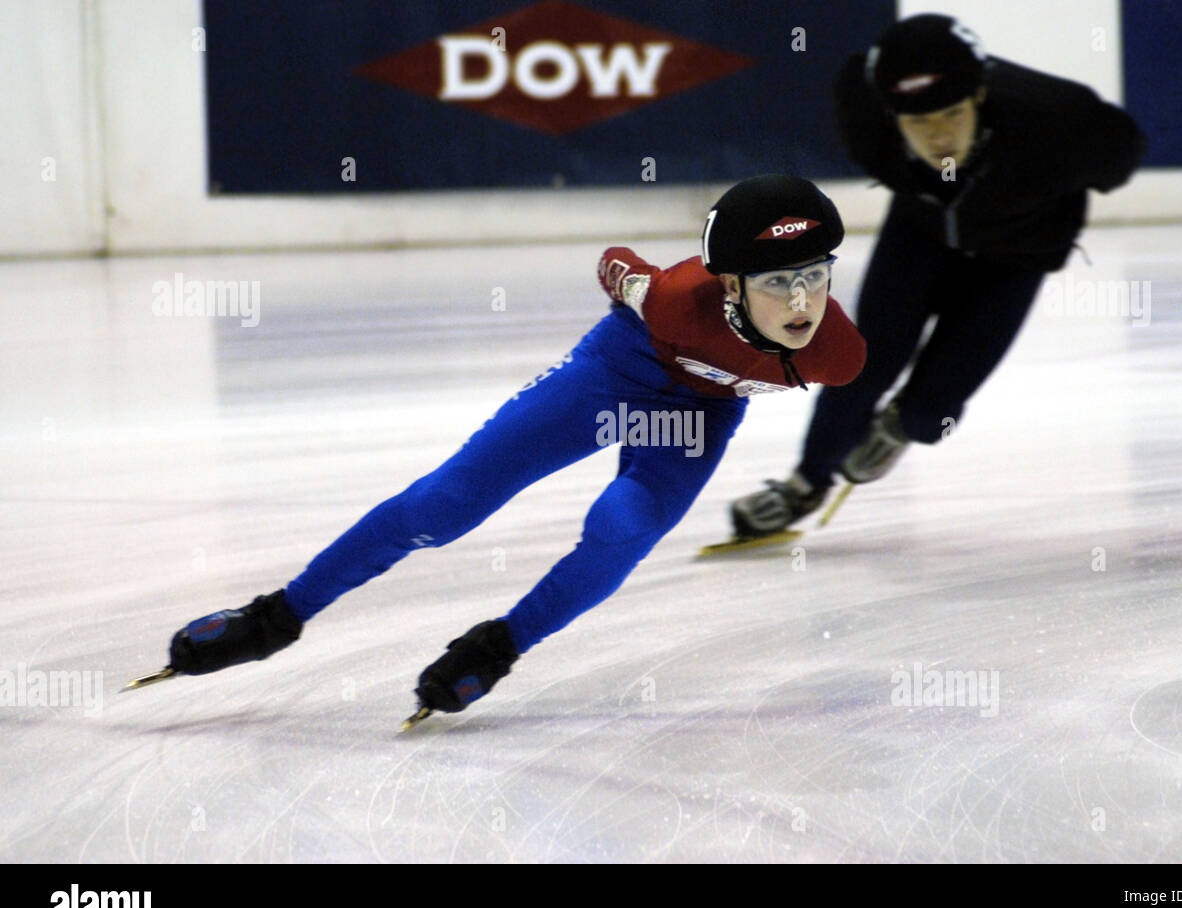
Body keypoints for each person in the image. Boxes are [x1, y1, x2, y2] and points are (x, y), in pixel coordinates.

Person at [151, 175, 866, 717]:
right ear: (732, 285)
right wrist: (630, 287)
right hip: (621, 370)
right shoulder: (679, 298)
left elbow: (854, 398)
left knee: (622, 528)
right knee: (448, 504)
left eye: (815, 276)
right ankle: (279, 616)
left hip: (699, 412)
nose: (802, 303)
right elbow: (615, 263)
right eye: (779, 282)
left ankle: (500, 644)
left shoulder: (839, 354)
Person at [731, 14, 1146, 537]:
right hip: (922, 231)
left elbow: (1122, 154)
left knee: (931, 414)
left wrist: (1057, 202)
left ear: (979, 96)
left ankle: (904, 422)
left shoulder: (1060, 124)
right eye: (918, 121)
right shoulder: (864, 112)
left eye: (951, 113)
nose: (940, 135)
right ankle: (805, 483)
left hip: (1016, 253)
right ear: (891, 114)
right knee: (864, 361)